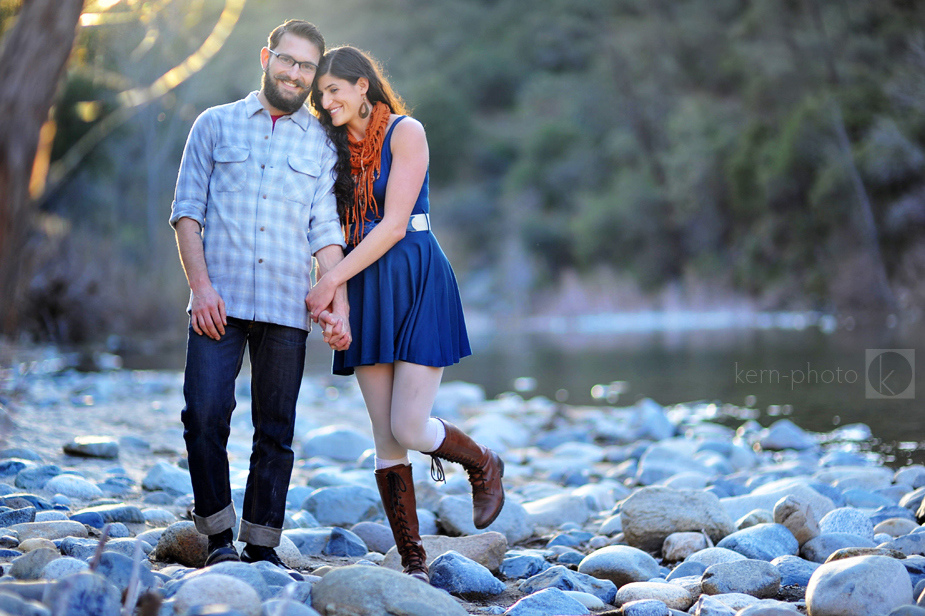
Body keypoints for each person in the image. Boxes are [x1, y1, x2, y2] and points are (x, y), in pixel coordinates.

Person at [306, 46, 504, 583]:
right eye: (319, 95)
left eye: (333, 90)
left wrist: (329, 281)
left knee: (410, 423)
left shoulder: (406, 132)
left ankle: (482, 462)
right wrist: (336, 287)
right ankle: (413, 559)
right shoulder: (328, 147)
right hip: (365, 288)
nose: (326, 102)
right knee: (386, 437)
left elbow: (393, 225)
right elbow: (324, 224)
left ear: (362, 85)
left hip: (415, 277)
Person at [169, 19, 351, 569]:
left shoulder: (320, 144)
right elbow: (186, 212)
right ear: (267, 57)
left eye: (306, 67)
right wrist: (199, 288)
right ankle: (219, 536)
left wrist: (338, 302)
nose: (295, 73)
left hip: (285, 305)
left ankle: (263, 544)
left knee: (276, 430)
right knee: (203, 415)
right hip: (216, 304)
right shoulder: (214, 125)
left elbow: (326, 231)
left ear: (314, 75)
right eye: (287, 60)